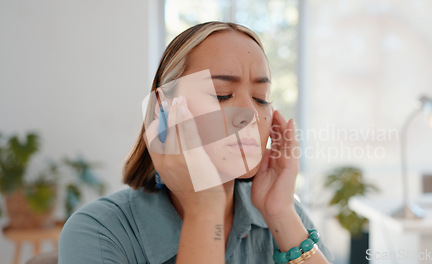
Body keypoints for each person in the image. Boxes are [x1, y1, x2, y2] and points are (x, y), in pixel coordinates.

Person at [59, 21, 334, 264]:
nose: (249, 115)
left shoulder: (285, 212)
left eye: (261, 97)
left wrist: (281, 214)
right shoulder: (98, 231)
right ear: (162, 111)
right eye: (222, 94)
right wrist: (205, 210)